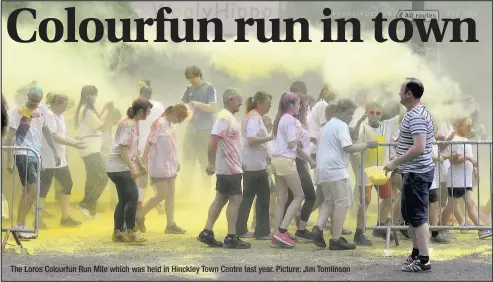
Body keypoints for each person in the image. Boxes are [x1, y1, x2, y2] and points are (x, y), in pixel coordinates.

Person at [311, 99, 377, 250]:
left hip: (323, 170)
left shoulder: (327, 125)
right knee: (343, 203)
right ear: (340, 111)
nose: (350, 117)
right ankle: (336, 239)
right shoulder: (340, 126)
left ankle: (318, 228)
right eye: (349, 114)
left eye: (352, 114)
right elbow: (348, 147)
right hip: (336, 170)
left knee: (329, 201)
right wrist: (366, 145)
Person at [383, 78, 434, 272]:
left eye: (401, 90)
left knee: (418, 217)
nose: (398, 93)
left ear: (408, 94)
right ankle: (416, 253)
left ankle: (424, 260)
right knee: (412, 216)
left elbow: (419, 147)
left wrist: (395, 162)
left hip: (417, 173)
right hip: (414, 172)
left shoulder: (416, 116)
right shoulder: (417, 112)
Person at [197, 88, 251, 249]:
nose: (241, 102)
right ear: (230, 100)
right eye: (238, 99)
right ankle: (231, 236)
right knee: (235, 199)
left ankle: (207, 232)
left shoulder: (229, 118)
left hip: (230, 166)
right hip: (229, 167)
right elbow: (213, 139)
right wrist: (211, 163)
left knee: (221, 199)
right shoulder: (223, 117)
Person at [5, 87, 61, 239]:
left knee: (27, 190)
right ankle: (20, 225)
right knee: (33, 190)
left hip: (35, 154)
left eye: (37, 101)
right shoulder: (19, 112)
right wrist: (10, 159)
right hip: (23, 153)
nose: (34, 103)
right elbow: (10, 136)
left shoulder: (42, 110)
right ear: (28, 96)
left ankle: (20, 224)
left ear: (41, 100)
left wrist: (55, 151)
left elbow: (46, 130)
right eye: (32, 100)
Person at [353, 101, 401, 246]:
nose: (374, 116)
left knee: (388, 199)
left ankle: (379, 226)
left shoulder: (387, 125)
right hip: (366, 170)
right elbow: (354, 138)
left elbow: (403, 115)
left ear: (382, 114)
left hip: (381, 170)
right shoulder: (362, 126)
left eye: (377, 113)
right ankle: (359, 232)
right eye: (371, 112)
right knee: (365, 201)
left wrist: (404, 99)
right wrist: (359, 122)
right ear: (367, 112)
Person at [136, 103, 188, 234]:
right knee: (162, 194)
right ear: (174, 114)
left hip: (170, 165)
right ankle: (139, 216)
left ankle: (170, 224)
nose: (180, 122)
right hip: (158, 165)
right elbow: (149, 142)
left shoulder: (172, 125)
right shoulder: (159, 123)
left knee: (171, 194)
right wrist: (144, 162)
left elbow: (173, 145)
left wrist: (177, 161)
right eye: (180, 119)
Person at [271, 92, 314, 248]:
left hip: (276, 160)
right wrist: (298, 134)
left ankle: (276, 234)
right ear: (291, 105)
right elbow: (291, 144)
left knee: (281, 199)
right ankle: (282, 231)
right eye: (297, 104)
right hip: (286, 161)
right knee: (299, 195)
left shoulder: (281, 119)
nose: (299, 106)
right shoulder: (291, 121)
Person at [106, 98, 152, 243]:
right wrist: (132, 168)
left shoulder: (132, 123)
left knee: (124, 199)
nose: (149, 113)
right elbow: (123, 148)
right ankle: (132, 230)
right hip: (119, 167)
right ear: (141, 111)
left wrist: (140, 164)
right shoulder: (128, 124)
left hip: (117, 167)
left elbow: (134, 150)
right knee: (132, 197)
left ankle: (118, 232)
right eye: (148, 111)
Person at [39, 93, 86, 228]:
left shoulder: (60, 116)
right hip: (48, 157)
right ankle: (38, 219)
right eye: (64, 106)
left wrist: (75, 141)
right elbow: (53, 136)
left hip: (60, 157)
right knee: (44, 188)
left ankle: (65, 218)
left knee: (67, 183)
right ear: (57, 104)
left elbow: (62, 134)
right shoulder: (48, 115)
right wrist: (74, 145)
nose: (66, 109)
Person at [440, 117, 492, 239]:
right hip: (457, 179)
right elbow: (454, 160)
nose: (469, 127)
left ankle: (481, 229)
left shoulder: (464, 139)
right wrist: (468, 157)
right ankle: (439, 228)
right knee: (452, 206)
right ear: (459, 125)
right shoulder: (455, 140)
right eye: (467, 125)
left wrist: (474, 167)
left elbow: (468, 157)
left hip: (465, 179)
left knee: (468, 204)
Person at [236, 91, 273, 240]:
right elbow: (251, 139)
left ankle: (242, 228)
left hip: (255, 163)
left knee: (251, 196)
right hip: (254, 164)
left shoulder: (254, 117)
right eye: (268, 104)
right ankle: (261, 231)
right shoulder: (253, 118)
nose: (270, 107)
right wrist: (269, 137)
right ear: (260, 103)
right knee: (261, 196)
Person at [75, 85, 113, 218]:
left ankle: (91, 210)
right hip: (91, 148)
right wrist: (110, 114)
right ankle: (86, 203)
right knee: (103, 176)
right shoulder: (88, 111)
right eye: (93, 94)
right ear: (88, 95)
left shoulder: (85, 109)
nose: (95, 97)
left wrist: (104, 111)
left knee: (92, 178)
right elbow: (101, 126)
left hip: (89, 147)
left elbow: (97, 121)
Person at [284, 93, 317, 241]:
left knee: (291, 197)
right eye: (306, 106)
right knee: (310, 195)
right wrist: (310, 159)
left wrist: (310, 138)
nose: (308, 109)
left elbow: (300, 141)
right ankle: (300, 230)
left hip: (299, 162)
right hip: (298, 162)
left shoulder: (301, 122)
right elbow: (296, 146)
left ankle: (285, 230)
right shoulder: (295, 122)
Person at [180, 65, 218, 193]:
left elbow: (213, 108)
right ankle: (186, 190)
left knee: (204, 161)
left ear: (199, 75)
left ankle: (205, 192)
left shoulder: (209, 88)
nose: (191, 80)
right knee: (188, 160)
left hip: (205, 130)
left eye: (192, 77)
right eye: (189, 78)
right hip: (191, 129)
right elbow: (181, 104)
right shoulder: (189, 89)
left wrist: (197, 104)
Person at [135, 81, 165, 214]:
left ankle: (140, 202)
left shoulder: (135, 106)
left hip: (140, 144)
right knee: (155, 174)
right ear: (151, 94)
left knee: (142, 175)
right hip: (156, 144)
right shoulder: (158, 106)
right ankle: (159, 203)